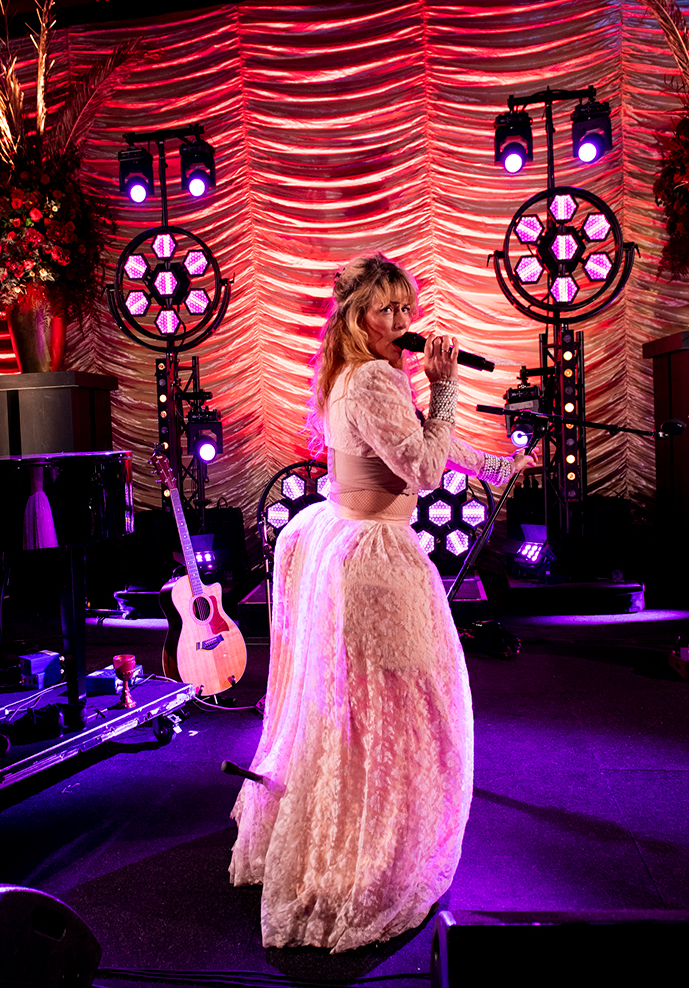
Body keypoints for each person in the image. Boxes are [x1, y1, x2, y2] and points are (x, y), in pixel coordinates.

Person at [229, 252, 537, 952]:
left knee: (369, 707)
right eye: (386, 309)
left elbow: (417, 444)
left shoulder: (360, 373)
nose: (402, 321)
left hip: (354, 541)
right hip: (375, 558)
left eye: (406, 308)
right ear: (356, 316)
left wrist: (496, 465)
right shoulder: (372, 377)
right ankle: (373, 855)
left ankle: (363, 835)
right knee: (403, 706)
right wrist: (447, 385)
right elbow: (423, 469)